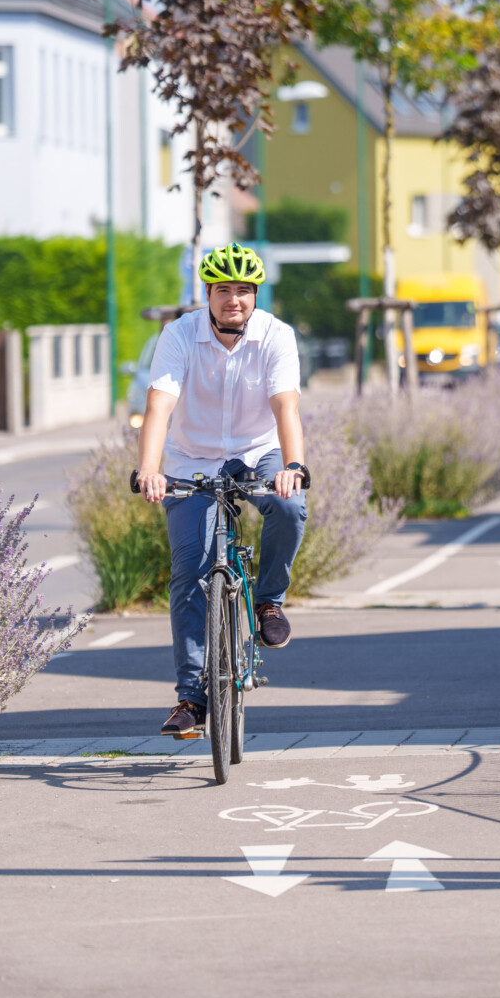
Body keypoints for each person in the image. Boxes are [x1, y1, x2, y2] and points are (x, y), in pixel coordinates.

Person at [135, 243, 309, 739]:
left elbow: (285, 409)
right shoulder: (180, 335)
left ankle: (268, 601)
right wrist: (150, 468)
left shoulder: (277, 336)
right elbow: (159, 407)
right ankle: (190, 697)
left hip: (259, 452)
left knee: (288, 506)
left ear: (256, 295)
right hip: (192, 461)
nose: (234, 299)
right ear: (208, 293)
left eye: (244, 290)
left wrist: (292, 465)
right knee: (189, 571)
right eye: (224, 290)